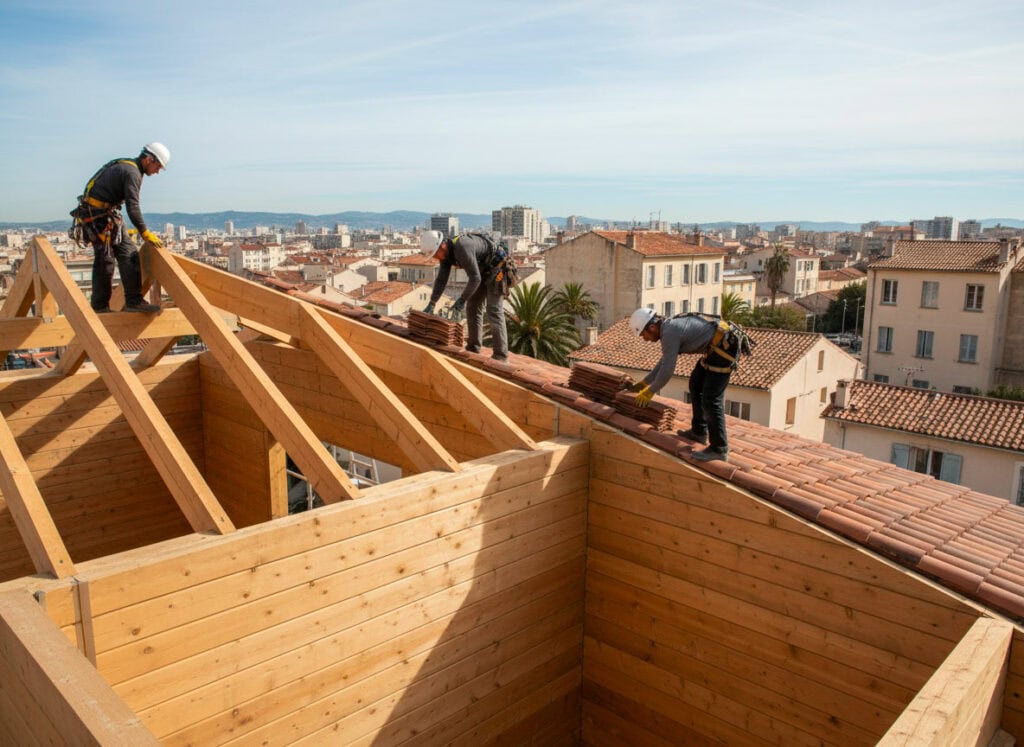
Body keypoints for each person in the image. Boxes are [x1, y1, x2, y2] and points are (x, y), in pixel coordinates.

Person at [626, 308, 751, 462]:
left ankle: (719, 448)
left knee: (711, 399)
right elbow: (665, 361)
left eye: (643, 335)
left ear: (651, 327)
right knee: (696, 384)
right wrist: (645, 382)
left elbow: (667, 370)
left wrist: (649, 391)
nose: (644, 339)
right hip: (715, 348)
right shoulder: (668, 328)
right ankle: (699, 432)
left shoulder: (669, 333)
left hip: (724, 350)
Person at [69, 143, 170, 313]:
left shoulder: (129, 167)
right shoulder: (132, 173)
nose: (157, 171)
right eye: (157, 166)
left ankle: (134, 301)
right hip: (98, 216)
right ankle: (100, 307)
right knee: (105, 261)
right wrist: (144, 232)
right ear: (148, 159)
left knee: (129, 254)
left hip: (105, 215)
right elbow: (133, 206)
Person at [420, 229, 509, 362]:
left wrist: (462, 299)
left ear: (442, 246)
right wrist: (432, 303)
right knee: (472, 306)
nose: (435, 258)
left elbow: (475, 279)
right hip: (483, 270)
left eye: (435, 254)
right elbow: (441, 279)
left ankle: (501, 356)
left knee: (494, 310)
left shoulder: (462, 247)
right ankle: (473, 347)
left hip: (498, 269)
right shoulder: (446, 255)